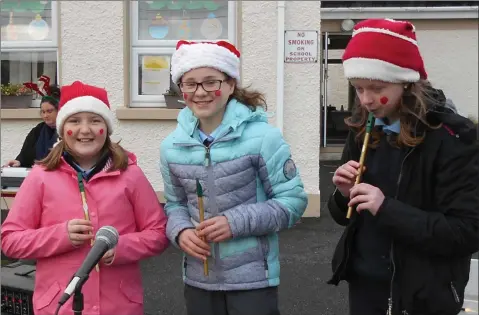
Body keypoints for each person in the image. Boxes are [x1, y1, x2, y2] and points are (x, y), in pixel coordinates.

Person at [327, 18, 479, 315]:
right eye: (358, 89)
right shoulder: (363, 128)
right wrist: (343, 195)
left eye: (376, 87)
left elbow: (467, 231)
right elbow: (346, 219)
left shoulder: (452, 138)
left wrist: (386, 208)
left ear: (406, 82)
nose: (366, 100)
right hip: (366, 285)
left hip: (424, 295)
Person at [160, 40, 308, 315]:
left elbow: (292, 202)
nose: (200, 92)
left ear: (230, 84)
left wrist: (234, 222)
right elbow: (175, 205)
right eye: (190, 84)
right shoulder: (171, 147)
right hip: (199, 279)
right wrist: (180, 232)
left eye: (210, 82)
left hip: (252, 281)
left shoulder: (264, 137)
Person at [1, 81, 169, 315]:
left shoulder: (131, 175)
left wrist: (122, 248)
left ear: (107, 128)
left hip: (119, 307)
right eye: (75, 121)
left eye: (95, 120)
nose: (85, 130)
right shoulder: (40, 177)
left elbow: (159, 233)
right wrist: (60, 235)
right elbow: (10, 240)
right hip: (60, 307)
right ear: (62, 129)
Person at [4, 84, 61, 168]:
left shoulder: (65, 131)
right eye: (43, 112)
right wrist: (18, 162)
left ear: (59, 110)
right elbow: (25, 156)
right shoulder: (37, 131)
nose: (45, 115)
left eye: (49, 111)